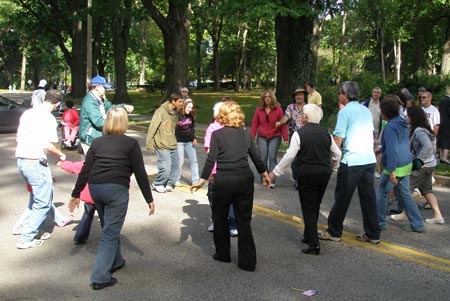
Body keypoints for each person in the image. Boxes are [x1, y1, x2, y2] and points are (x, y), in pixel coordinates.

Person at [70, 107, 155, 290]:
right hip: (116, 189)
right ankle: (100, 277)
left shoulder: (97, 142)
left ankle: (115, 261)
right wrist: (149, 198)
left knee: (108, 226)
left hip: (96, 188)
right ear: (125, 122)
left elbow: (86, 169)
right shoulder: (130, 144)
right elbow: (140, 172)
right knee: (109, 233)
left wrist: (76, 193)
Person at [191, 101, 270, 272]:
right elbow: (256, 157)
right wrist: (264, 174)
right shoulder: (246, 134)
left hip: (224, 180)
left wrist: (202, 179)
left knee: (220, 218)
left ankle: (223, 254)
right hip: (244, 179)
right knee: (244, 221)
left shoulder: (217, 134)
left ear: (222, 115)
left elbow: (211, 159)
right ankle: (248, 262)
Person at [270, 104, 341, 255]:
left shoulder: (299, 134)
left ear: (306, 118)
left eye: (302, 114)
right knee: (315, 204)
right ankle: (309, 234)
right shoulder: (326, 134)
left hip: (307, 173)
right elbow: (337, 154)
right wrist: (333, 167)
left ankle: (314, 243)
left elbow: (290, 155)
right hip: (323, 173)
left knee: (308, 207)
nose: (301, 116)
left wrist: (275, 172)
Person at [319, 81, 381, 244]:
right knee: (368, 198)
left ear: (345, 95)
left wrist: (329, 157)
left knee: (342, 197)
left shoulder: (345, 112)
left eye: (340, 93)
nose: (338, 95)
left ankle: (334, 231)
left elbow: (338, 139)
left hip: (352, 160)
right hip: (368, 159)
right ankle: (373, 233)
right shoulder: (365, 110)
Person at [15, 89, 67, 249]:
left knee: (36, 198)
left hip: (22, 159)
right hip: (36, 161)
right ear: (57, 104)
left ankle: (32, 227)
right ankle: (27, 237)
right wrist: (61, 155)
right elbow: (46, 143)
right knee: (43, 202)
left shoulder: (28, 114)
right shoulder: (48, 119)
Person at [376, 95, 424, 232]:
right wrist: (379, 149)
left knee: (382, 193)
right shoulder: (401, 122)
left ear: (384, 112)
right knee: (404, 194)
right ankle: (417, 223)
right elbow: (398, 143)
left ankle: (380, 222)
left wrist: (391, 171)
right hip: (406, 162)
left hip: (395, 165)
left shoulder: (390, 127)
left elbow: (392, 149)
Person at [391, 106, 445, 225]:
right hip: (429, 165)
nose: (405, 117)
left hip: (422, 166)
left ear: (412, 117)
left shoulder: (419, 131)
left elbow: (427, 147)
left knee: (405, 189)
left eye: (407, 115)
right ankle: (438, 216)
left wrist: (419, 161)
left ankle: (405, 214)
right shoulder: (423, 129)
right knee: (427, 191)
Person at [204, 101, 238, 237]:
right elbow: (209, 151)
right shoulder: (212, 128)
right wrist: (211, 172)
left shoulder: (234, 127)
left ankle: (233, 224)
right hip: (216, 169)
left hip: (231, 169)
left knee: (231, 198)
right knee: (212, 196)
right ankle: (217, 221)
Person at [79, 75, 134, 154]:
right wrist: (115, 125)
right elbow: (98, 122)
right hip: (91, 140)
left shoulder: (99, 98)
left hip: (97, 138)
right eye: (104, 88)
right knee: (92, 165)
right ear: (97, 87)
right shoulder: (89, 101)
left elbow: (110, 107)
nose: (106, 90)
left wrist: (123, 106)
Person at [146, 92, 184, 193]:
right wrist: (149, 143)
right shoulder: (160, 111)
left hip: (172, 143)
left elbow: (173, 128)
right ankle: (158, 183)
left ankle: (170, 183)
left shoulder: (175, 113)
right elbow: (152, 127)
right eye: (179, 101)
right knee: (166, 166)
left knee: (176, 165)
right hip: (161, 144)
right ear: (173, 101)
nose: (181, 103)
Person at [250, 90, 288, 188]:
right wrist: (252, 136)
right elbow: (254, 124)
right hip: (262, 136)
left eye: (269, 96)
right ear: (263, 99)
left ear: (272, 98)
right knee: (262, 159)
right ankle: (264, 178)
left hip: (275, 136)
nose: (267, 98)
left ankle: (271, 180)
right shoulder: (259, 109)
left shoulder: (278, 109)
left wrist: (285, 137)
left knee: (272, 158)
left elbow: (282, 125)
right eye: (265, 97)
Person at [57, 159, 96, 244]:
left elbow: (73, 167)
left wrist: (62, 163)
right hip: (104, 193)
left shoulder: (88, 162)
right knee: (106, 216)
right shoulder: (111, 163)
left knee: (87, 214)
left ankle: (80, 236)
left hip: (89, 195)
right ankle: (108, 236)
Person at [275, 87, 308, 188]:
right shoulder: (291, 107)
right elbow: (286, 117)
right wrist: (280, 122)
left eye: (300, 94)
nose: (298, 96)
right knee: (294, 157)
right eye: (296, 95)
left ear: (304, 96)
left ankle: (301, 179)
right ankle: (296, 178)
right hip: (294, 135)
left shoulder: (308, 107)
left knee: (304, 158)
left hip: (306, 135)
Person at [175, 98, 199, 186]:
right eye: (188, 107)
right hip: (179, 142)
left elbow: (192, 128)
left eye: (191, 108)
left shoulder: (190, 116)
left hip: (189, 141)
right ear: (184, 106)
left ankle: (195, 181)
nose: (190, 109)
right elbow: (173, 129)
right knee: (180, 161)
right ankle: (176, 179)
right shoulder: (177, 115)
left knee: (194, 160)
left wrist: (193, 138)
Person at [437, 87, 450, 164]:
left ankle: (441, 156)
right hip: (447, 122)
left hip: (441, 121)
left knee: (441, 139)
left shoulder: (442, 100)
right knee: (447, 140)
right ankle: (445, 157)